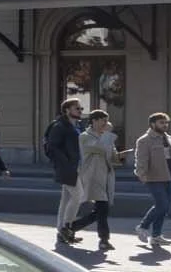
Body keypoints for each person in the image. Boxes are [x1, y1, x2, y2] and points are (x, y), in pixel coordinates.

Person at [65, 109, 128, 253]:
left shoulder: (104, 136)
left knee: (100, 210)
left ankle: (71, 227)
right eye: (103, 121)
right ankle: (103, 240)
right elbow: (99, 148)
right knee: (102, 208)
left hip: (105, 176)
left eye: (107, 121)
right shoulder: (85, 136)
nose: (106, 124)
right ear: (94, 121)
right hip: (92, 176)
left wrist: (121, 155)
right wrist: (108, 133)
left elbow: (112, 157)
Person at [134, 111, 171, 251]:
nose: (165, 125)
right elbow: (141, 160)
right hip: (154, 177)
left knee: (165, 208)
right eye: (161, 123)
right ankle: (143, 226)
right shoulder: (144, 140)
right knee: (162, 205)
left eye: (166, 123)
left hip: (169, 176)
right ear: (152, 124)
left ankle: (156, 235)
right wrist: (141, 174)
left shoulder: (168, 138)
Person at [44, 96, 86, 247]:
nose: (80, 111)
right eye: (77, 108)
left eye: (81, 108)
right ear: (67, 110)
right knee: (78, 196)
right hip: (67, 167)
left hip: (76, 166)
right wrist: (65, 162)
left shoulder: (77, 125)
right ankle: (66, 228)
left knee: (66, 199)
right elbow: (52, 147)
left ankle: (62, 231)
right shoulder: (60, 126)